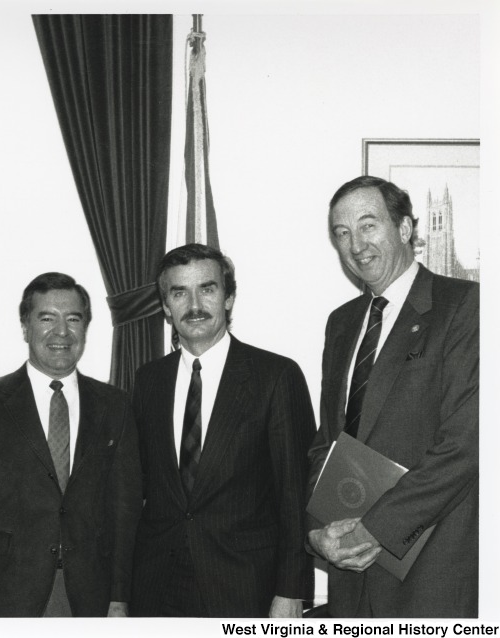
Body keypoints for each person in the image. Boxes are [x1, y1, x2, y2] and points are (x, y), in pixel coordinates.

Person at [306, 176, 479, 617]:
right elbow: (327, 441)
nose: (355, 244)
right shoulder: (341, 323)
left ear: (405, 229)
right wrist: (316, 532)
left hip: (430, 574)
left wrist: (376, 529)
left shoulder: (466, 305)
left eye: (368, 225)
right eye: (341, 234)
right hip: (349, 576)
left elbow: (466, 444)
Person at [0, 272, 141, 617]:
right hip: (3, 592)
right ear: (25, 327)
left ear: (86, 330)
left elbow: (125, 514)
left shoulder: (115, 406)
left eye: (73, 319)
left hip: (90, 595)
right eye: (47, 318)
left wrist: (120, 599)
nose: (61, 332)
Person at [130, 243, 316, 617]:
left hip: (245, 588)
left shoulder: (276, 377)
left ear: (229, 298)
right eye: (179, 292)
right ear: (166, 306)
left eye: (208, 289)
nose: (194, 305)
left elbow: (296, 495)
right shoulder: (149, 380)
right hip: (156, 587)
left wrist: (291, 591)